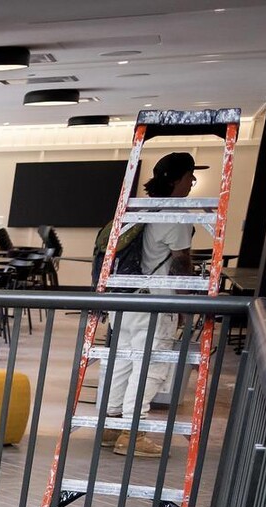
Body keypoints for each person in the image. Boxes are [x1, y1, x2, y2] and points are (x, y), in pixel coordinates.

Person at [104, 151, 206, 459]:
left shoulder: (141, 208)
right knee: (149, 367)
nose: (192, 182)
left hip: (125, 298)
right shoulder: (175, 214)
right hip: (155, 302)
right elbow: (181, 262)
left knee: (122, 361)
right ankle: (133, 434)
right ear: (176, 179)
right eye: (190, 176)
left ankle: (112, 425)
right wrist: (187, 300)